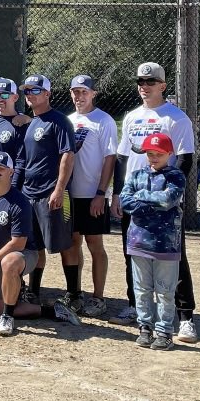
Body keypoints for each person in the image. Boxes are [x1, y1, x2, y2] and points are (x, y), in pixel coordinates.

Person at [111, 62, 198, 343]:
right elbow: (122, 158)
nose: (144, 86)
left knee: (174, 255)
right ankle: (136, 308)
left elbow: (184, 158)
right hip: (136, 199)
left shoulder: (177, 118)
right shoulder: (132, 117)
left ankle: (185, 317)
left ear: (163, 85)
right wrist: (117, 193)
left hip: (164, 203)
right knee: (134, 253)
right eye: (140, 82)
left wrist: (170, 191)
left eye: (150, 82)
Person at [0, 151, 81, 336]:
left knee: (10, 262)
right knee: (4, 305)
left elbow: (18, 243)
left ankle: (7, 318)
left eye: (0, 168)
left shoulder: (20, 202)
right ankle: (53, 310)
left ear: (11, 172)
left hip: (25, 254)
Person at [120, 133, 185, 351]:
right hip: (138, 242)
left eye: (159, 154)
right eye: (150, 154)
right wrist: (150, 203)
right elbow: (125, 201)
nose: (154, 158)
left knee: (165, 290)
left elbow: (168, 200)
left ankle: (164, 331)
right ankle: (145, 328)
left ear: (169, 154)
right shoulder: (137, 175)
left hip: (166, 244)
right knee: (142, 289)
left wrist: (141, 196)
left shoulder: (175, 176)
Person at [19, 74, 78, 307]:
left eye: (35, 90)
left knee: (64, 244)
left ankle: (74, 294)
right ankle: (34, 291)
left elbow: (68, 155)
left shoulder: (59, 121)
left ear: (47, 94)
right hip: (30, 193)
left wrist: (59, 188)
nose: (30, 95)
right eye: (27, 91)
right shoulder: (32, 123)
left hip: (52, 193)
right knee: (34, 246)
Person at [67, 75, 118, 317]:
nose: (79, 96)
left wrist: (100, 193)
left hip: (92, 194)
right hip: (70, 194)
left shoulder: (104, 120)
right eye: (75, 92)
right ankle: (75, 293)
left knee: (94, 243)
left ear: (93, 93)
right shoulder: (68, 120)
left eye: (84, 92)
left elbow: (110, 158)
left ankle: (98, 298)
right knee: (72, 242)